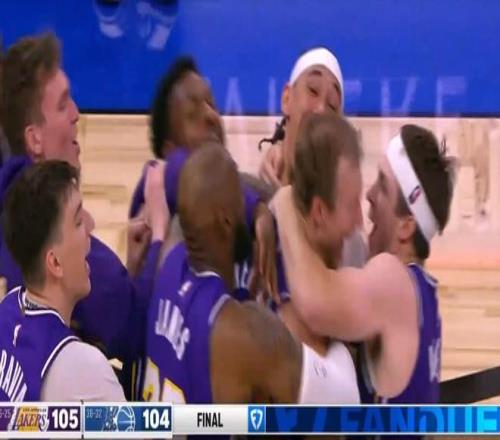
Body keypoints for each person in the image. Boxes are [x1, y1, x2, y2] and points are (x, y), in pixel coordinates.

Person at [0, 33, 168, 395]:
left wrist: (131, 265)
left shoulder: (11, 204)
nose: (77, 113)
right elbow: (143, 329)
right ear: (34, 139)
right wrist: (160, 234)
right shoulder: (57, 239)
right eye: (63, 105)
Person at [142, 145, 352, 404]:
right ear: (226, 222)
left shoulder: (168, 262)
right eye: (242, 200)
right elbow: (342, 399)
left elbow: (185, 176)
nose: (247, 206)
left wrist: (258, 209)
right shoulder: (244, 331)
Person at [272, 124, 454, 403]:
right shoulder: (421, 292)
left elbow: (313, 301)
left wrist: (285, 200)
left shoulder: (393, 282)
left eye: (382, 185)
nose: (369, 194)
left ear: (406, 226)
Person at [0, 161, 125, 401]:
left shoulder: (7, 308)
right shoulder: (85, 369)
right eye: (78, 222)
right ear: (55, 263)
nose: (90, 226)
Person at [258, 47, 366, 268]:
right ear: (286, 98)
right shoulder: (251, 201)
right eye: (313, 90)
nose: (320, 109)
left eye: (332, 105)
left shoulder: (347, 241)